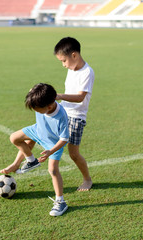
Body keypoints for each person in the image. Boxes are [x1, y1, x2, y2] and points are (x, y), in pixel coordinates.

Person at [0, 83, 69, 216]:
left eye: (37, 110)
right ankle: (31, 160)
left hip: (53, 143)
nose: (35, 111)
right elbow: (35, 90)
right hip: (38, 130)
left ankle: (60, 202)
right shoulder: (42, 101)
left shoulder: (61, 116)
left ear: (49, 106)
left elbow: (64, 139)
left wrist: (51, 151)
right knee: (14, 138)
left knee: (53, 170)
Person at [54, 37, 95, 192]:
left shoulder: (87, 72)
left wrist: (59, 96)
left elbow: (79, 97)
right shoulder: (72, 69)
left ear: (74, 55)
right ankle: (28, 160)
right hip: (64, 112)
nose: (64, 65)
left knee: (74, 154)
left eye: (64, 61)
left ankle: (87, 180)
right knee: (40, 131)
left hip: (77, 117)